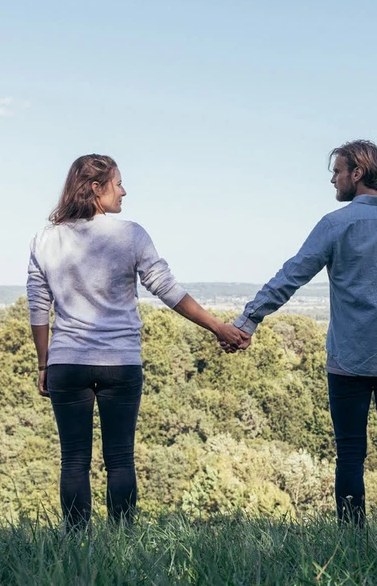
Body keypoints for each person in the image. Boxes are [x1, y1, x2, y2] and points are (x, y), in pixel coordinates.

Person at [26, 153, 248, 530]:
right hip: (120, 362)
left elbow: (37, 305)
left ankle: (76, 544)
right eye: (118, 183)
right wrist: (217, 327)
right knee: (120, 459)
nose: (124, 191)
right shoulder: (131, 234)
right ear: (96, 189)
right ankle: (122, 542)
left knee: (74, 460)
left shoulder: (46, 238)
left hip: (67, 362)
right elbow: (166, 289)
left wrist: (44, 363)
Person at [227, 140, 377, 524]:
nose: (332, 181)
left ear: (357, 174)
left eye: (336, 172)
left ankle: (353, 541)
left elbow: (292, 275)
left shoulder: (335, 224)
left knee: (350, 455)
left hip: (348, 360)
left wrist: (248, 320)